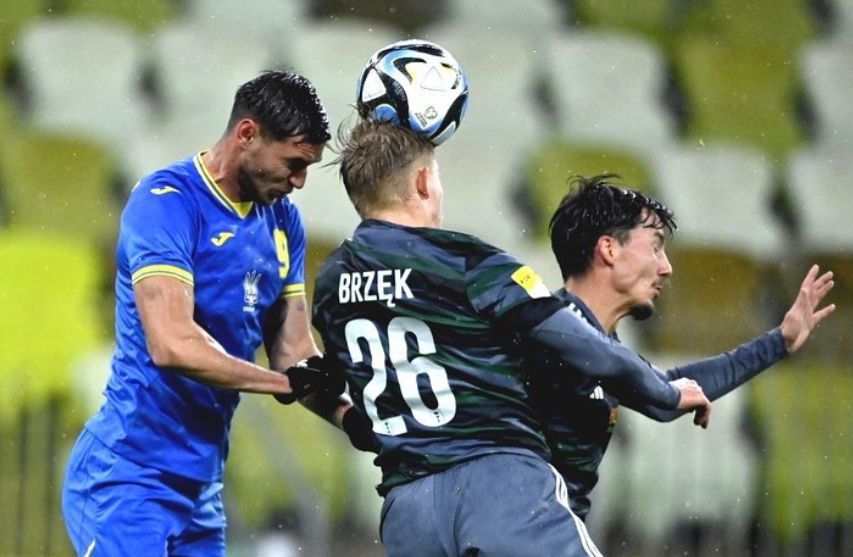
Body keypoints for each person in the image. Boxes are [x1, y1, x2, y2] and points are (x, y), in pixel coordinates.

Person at [310, 118, 714, 557]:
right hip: (499, 488)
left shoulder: (331, 283)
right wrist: (668, 392)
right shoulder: (466, 261)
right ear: (424, 182)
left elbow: (349, 402)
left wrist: (350, 420)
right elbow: (589, 350)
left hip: (409, 509)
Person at [61, 71, 351, 556]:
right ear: (247, 135)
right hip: (128, 479)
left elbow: (295, 354)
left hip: (202, 489)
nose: (299, 182)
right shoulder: (166, 204)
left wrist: (356, 420)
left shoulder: (284, 222)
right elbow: (172, 344)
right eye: (293, 163)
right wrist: (284, 385)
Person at [529, 174, 836, 521]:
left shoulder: (598, 345)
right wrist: (670, 393)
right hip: (523, 529)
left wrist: (779, 341)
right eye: (656, 247)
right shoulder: (552, 330)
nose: (667, 268)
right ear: (609, 249)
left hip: (550, 526)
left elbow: (664, 392)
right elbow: (660, 390)